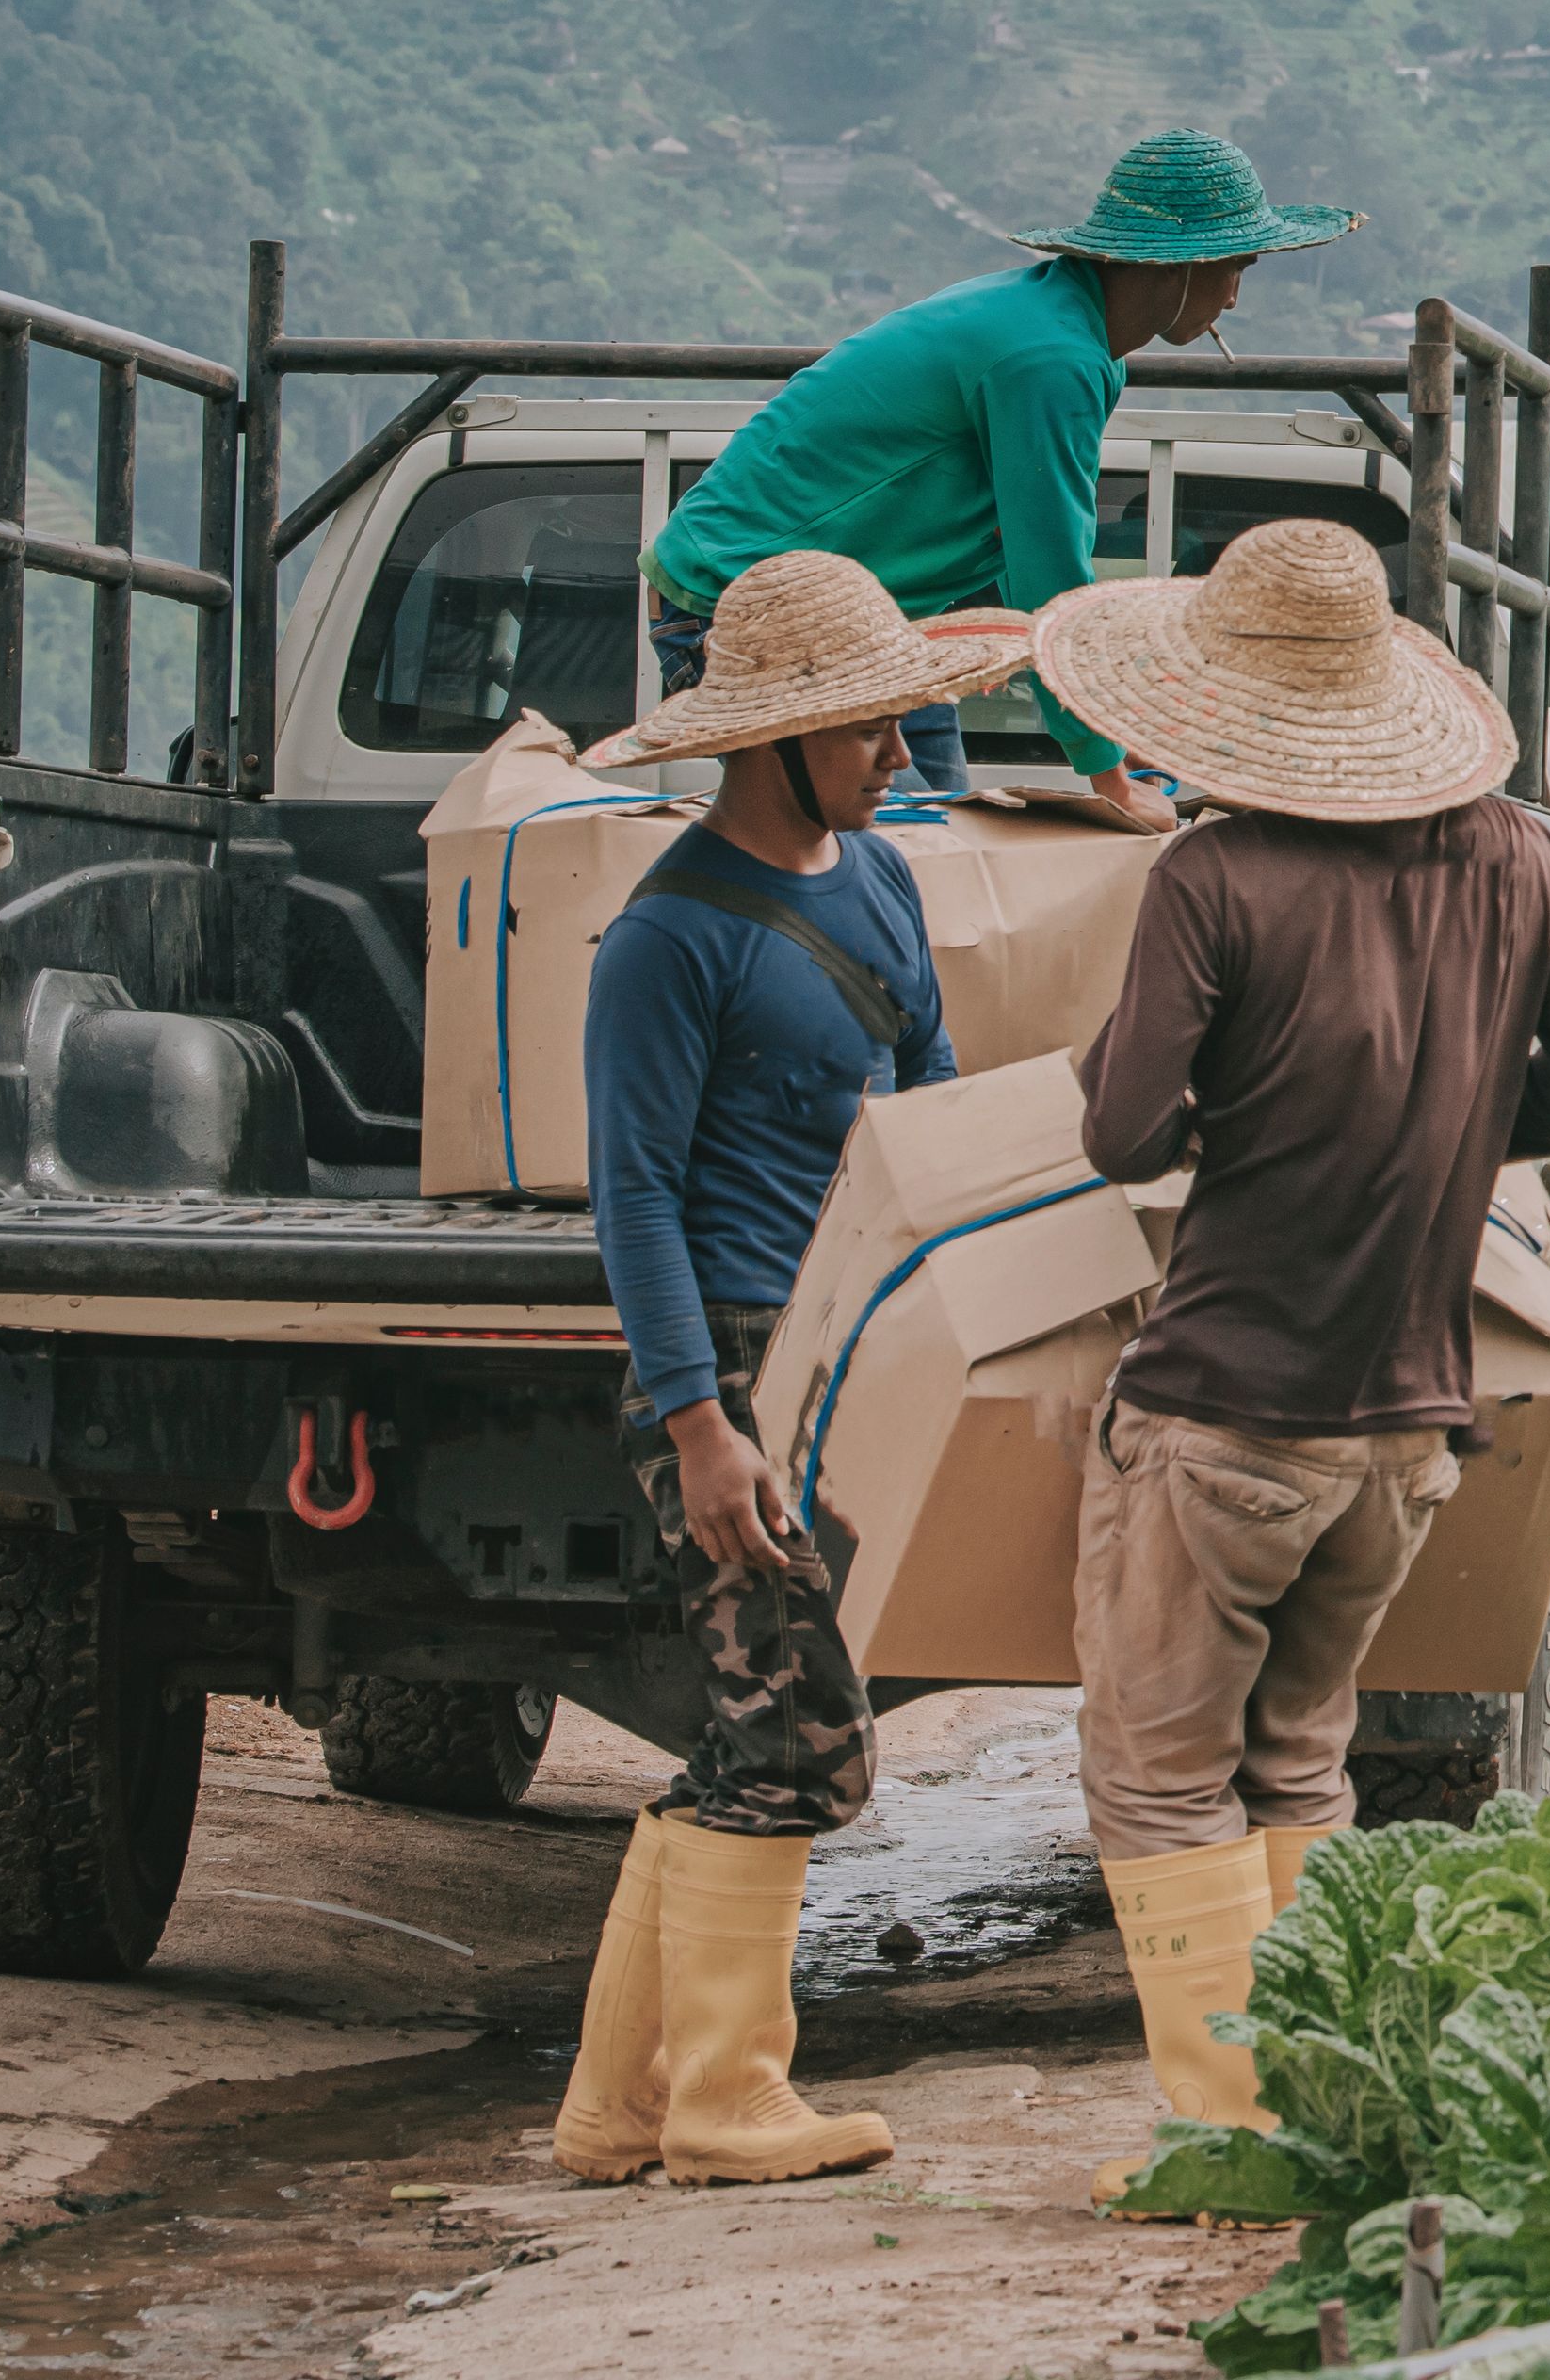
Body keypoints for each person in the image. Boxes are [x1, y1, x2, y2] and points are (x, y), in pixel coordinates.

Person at [1032, 520, 1550, 2206]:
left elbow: (1124, 1134)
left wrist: (1209, 1094)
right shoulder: (1519, 859)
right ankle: (1316, 2102)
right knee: (1299, 1763)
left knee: (1161, 1781)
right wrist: (1453, 1129)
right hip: (1403, 1433)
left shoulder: (1212, 877)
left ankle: (1226, 2131)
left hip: (1225, 1412)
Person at [548, 552, 1041, 2191]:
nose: (903, 752)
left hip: (848, 1349)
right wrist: (700, 1425)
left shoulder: (880, 880)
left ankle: (621, 2104)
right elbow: (634, 1198)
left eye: (903, 719)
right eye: (869, 727)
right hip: (732, 1375)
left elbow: (930, 1101)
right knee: (794, 1739)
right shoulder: (664, 940)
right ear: (774, 740)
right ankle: (724, 2097)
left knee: (761, 1723)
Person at [643, 130, 1358, 822]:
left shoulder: (1072, 336)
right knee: (902, 847)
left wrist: (1121, 734)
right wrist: (1107, 774)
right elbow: (1049, 573)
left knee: (948, 844)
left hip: (880, 630)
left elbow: (1019, 555)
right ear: (1177, 266)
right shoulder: (1049, 358)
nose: (1232, 298)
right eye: (1236, 267)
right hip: (743, 609)